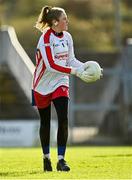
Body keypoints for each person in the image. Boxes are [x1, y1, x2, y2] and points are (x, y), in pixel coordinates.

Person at [32, 5, 95, 172]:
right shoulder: (45, 39)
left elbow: (71, 59)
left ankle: (61, 160)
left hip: (61, 81)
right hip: (42, 84)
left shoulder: (67, 36)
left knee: (63, 119)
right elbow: (51, 65)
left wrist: (87, 68)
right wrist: (76, 72)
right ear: (54, 22)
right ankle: (46, 158)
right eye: (64, 19)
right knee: (45, 123)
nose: (67, 21)